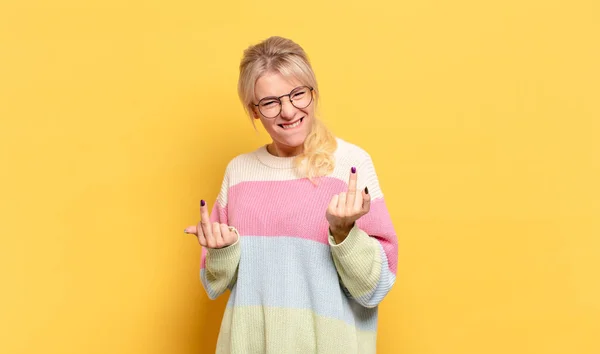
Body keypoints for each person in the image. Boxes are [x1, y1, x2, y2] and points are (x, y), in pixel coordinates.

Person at [184, 36, 398, 354]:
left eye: (298, 94)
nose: (288, 111)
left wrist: (344, 234)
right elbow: (215, 285)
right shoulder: (239, 172)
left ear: (312, 93)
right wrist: (222, 252)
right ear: (254, 110)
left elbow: (374, 287)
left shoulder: (351, 166)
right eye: (270, 102)